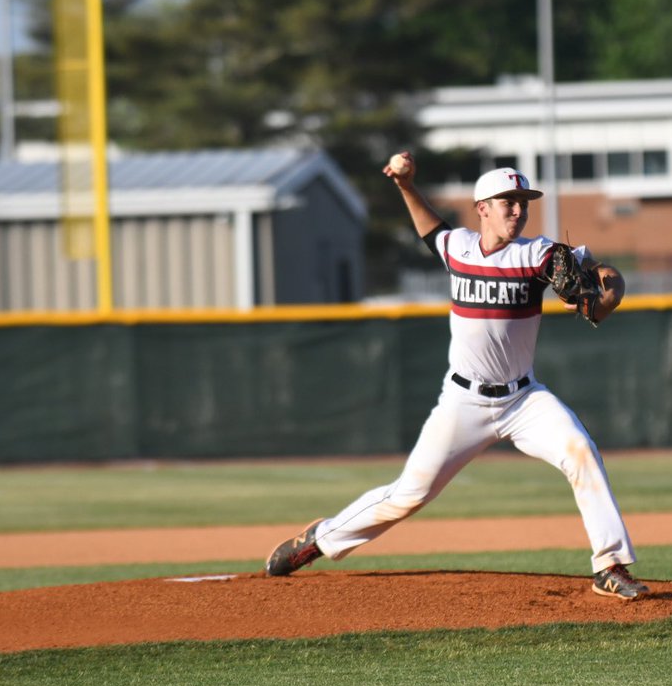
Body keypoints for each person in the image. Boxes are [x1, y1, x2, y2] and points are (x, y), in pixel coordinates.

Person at [264, 152, 649, 600]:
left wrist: (612, 289)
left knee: (580, 450)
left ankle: (609, 565)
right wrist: (406, 185)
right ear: (482, 207)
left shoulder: (538, 253)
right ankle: (321, 539)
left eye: (523, 202)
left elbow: (601, 271)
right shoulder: (458, 247)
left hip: (524, 401)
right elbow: (431, 230)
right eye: (508, 202)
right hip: (463, 401)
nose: (518, 210)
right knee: (408, 495)